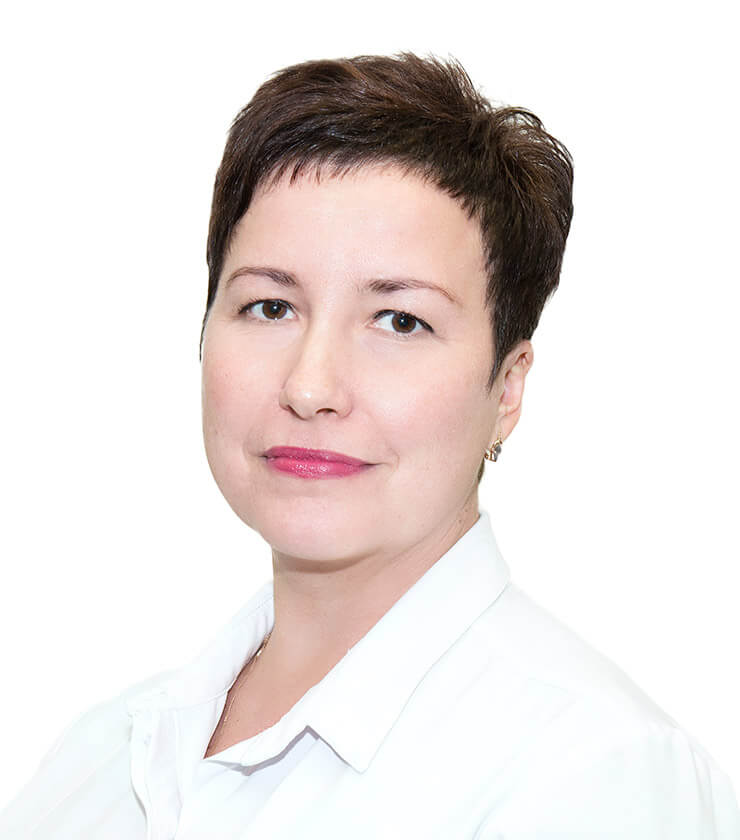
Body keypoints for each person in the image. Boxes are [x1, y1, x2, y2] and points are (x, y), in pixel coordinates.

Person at [1, 52, 738, 839]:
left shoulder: (596, 772)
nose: (310, 385)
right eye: (270, 306)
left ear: (507, 388)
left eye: (400, 321)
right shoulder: (102, 756)